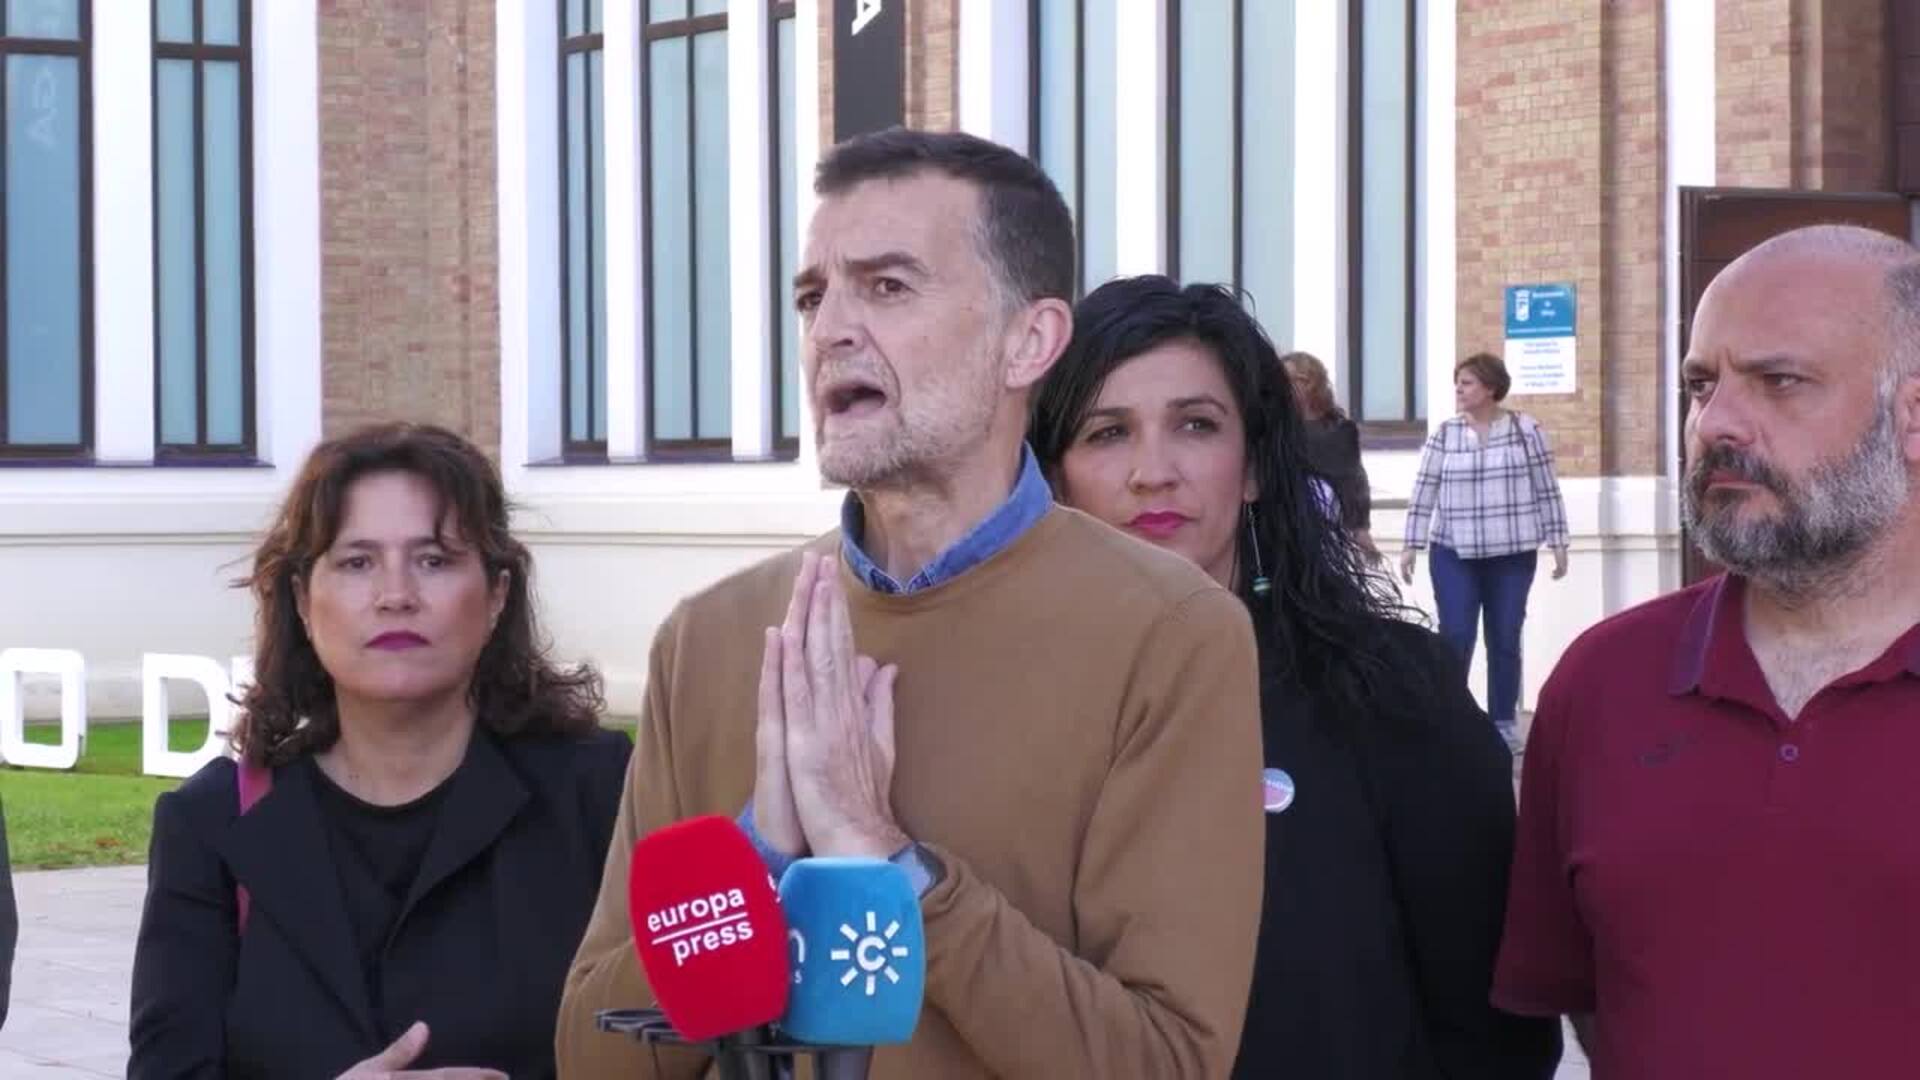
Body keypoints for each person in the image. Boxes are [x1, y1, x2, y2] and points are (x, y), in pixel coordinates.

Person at [556, 129, 1266, 1078]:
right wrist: (759, 856)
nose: (830, 331)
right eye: (813, 297)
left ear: (1029, 341)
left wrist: (891, 865)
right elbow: (594, 1058)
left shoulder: (1172, 637)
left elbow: (1164, 1062)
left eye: (887, 286)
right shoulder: (709, 640)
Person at [1030, 276, 1561, 1079]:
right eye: (1107, 433)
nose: (1153, 471)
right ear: (1055, 477)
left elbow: (1497, 1034)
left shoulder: (1393, 694)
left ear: (1251, 466)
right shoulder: (1011, 709)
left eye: (1196, 425)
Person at [1492, 225, 1920, 1079]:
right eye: (1700, 385)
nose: (1715, 422)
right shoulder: (1603, 684)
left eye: (1779, 381)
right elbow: (1589, 1000)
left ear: (1912, 415)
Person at [129, 423, 631, 1080]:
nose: (396, 596)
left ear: (497, 595)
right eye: (357, 562)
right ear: (302, 600)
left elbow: (675, 1044)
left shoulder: (597, 793)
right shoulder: (212, 824)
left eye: (434, 560)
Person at [1399, 352, 1569, 742]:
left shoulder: (1526, 430)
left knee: (1505, 637)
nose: (1458, 390)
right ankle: (1452, 720)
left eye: (1467, 383)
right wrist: (1411, 543)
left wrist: (1558, 540)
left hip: (1512, 553)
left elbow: (1547, 487)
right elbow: (1424, 489)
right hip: (1454, 552)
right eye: (1457, 383)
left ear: (1490, 388)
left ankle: (1503, 723)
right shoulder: (1445, 434)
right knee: (1456, 636)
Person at [1282, 350, 1378, 557]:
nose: (1282, 386)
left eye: (1290, 380)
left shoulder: (1339, 430)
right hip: (1282, 526)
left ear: (1309, 383)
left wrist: (1360, 528)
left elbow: (1353, 479)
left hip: (1327, 530)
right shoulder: (1275, 427)